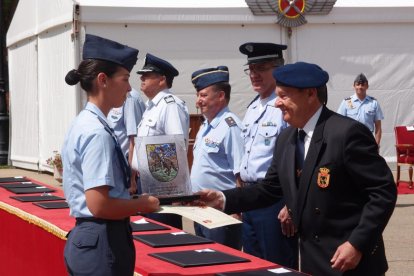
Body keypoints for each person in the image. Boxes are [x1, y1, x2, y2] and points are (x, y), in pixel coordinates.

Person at [197, 62, 397, 275]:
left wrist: (357, 244)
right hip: (313, 260)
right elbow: (269, 188)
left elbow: (382, 192)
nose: (277, 104)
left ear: (310, 94)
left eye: (283, 96)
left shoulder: (346, 134)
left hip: (350, 261)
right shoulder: (287, 138)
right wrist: (222, 199)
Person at [62, 34, 159, 275]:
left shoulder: (85, 122)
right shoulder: (97, 132)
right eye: (125, 79)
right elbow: (99, 204)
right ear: (103, 80)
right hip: (102, 238)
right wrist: (143, 204)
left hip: (95, 237)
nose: (129, 88)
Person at [238, 42, 297, 268]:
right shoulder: (253, 107)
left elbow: (296, 158)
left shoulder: (285, 105)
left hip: (274, 200)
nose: (254, 74)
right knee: (254, 264)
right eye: (251, 69)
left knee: (277, 264)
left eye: (261, 68)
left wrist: (291, 203)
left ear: (278, 69)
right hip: (251, 196)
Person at [132, 53, 189, 229]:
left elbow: (176, 148)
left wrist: (175, 193)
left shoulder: (170, 105)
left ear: (162, 80)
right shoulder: (151, 107)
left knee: (162, 232)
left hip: (163, 186)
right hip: (146, 182)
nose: (142, 78)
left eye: (147, 76)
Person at [190, 66, 244, 249]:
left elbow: (240, 174)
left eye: (204, 95)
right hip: (200, 210)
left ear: (221, 96)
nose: (198, 101)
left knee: (223, 265)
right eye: (198, 95)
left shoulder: (231, 126)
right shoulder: (206, 125)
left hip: (222, 212)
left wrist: (237, 209)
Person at [107, 87, 146, 194]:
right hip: (115, 171)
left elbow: (134, 140)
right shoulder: (112, 95)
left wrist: (131, 179)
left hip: (126, 174)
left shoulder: (130, 98)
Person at [337, 73, 384, 145]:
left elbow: (378, 127)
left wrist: (377, 145)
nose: (360, 87)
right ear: (354, 86)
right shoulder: (346, 102)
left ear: (367, 86)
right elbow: (339, 123)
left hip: (368, 139)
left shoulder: (373, 103)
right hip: (351, 140)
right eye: (358, 84)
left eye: (363, 85)